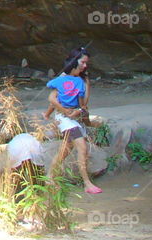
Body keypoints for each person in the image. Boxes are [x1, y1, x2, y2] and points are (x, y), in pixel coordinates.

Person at [45, 46, 102, 194]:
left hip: (75, 117)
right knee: (82, 147)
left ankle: (50, 176)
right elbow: (52, 99)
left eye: (86, 63)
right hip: (65, 119)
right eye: (83, 62)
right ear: (75, 61)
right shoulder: (63, 79)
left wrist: (79, 112)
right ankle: (87, 183)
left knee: (66, 149)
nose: (85, 65)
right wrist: (65, 111)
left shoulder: (83, 79)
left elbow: (84, 105)